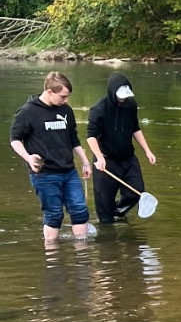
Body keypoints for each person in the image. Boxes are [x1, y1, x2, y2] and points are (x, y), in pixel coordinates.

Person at [10, 71, 94, 243]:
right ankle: (53, 259)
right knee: (54, 214)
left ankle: (82, 257)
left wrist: (85, 162)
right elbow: (15, 140)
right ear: (49, 92)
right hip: (44, 173)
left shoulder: (66, 110)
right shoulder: (28, 112)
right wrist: (28, 156)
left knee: (80, 210)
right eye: (62, 96)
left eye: (67, 97)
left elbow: (73, 139)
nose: (66, 101)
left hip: (69, 171)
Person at [87, 73, 157, 223]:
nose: (123, 99)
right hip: (106, 161)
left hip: (127, 159)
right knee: (104, 211)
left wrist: (147, 150)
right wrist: (99, 157)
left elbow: (135, 128)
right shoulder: (99, 109)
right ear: (112, 92)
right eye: (120, 97)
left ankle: (118, 211)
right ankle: (108, 237)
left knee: (136, 191)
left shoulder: (130, 105)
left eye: (125, 96)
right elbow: (91, 136)